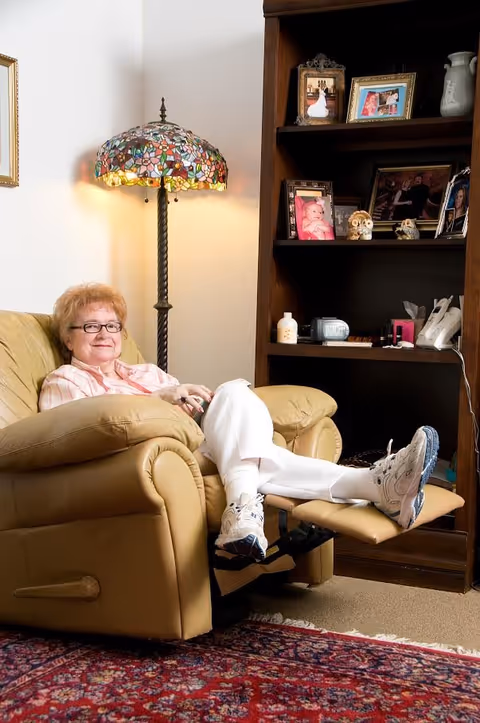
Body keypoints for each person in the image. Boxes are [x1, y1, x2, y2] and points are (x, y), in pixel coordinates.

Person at [39, 283, 439, 562]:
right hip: (143, 458)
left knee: (233, 393)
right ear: (68, 338)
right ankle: (374, 484)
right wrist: (158, 398)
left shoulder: (146, 372)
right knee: (253, 450)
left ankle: (242, 512)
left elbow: (189, 409)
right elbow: (81, 432)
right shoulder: (65, 380)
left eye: (112, 326)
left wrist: (190, 399)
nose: (104, 334)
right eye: (91, 326)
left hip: (193, 442)